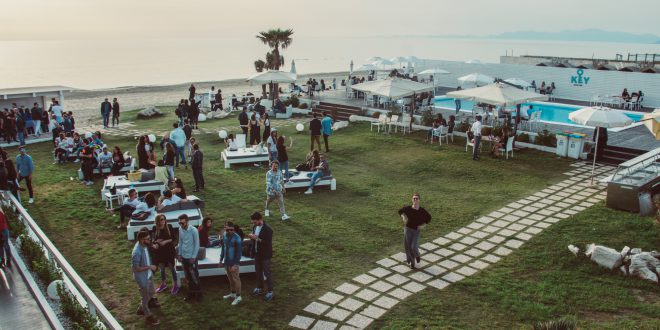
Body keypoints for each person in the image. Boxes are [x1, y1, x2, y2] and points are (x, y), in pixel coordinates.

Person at [131, 230, 161, 326]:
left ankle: (141, 309)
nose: (149, 240)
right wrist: (149, 267)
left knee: (151, 293)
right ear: (141, 239)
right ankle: (148, 316)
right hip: (142, 278)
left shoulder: (145, 245)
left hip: (148, 275)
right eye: (147, 239)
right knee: (145, 298)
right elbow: (135, 268)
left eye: (149, 238)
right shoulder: (136, 252)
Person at [398, 193, 431, 270]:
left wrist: (423, 225)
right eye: (414, 198)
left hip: (416, 230)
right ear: (412, 200)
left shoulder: (422, 210)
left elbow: (429, 218)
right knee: (408, 246)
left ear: (419, 200)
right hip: (407, 229)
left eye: (416, 198)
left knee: (413, 246)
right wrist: (403, 217)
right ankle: (412, 263)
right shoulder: (408, 208)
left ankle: (417, 255)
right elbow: (400, 211)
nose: (415, 200)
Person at [248, 211, 274, 302]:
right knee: (258, 272)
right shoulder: (255, 227)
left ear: (260, 220)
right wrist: (252, 238)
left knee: (267, 273)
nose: (254, 224)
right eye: (253, 222)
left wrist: (257, 239)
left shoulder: (268, 229)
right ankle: (260, 288)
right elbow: (254, 240)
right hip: (257, 254)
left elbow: (267, 243)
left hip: (265, 255)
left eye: (255, 222)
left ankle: (270, 291)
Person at [151, 214, 179, 295]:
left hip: (169, 251)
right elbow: (153, 240)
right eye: (161, 220)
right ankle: (164, 284)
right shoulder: (154, 228)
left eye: (164, 219)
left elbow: (174, 238)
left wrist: (165, 241)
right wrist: (157, 242)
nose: (163, 221)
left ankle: (175, 285)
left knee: (172, 268)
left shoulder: (169, 226)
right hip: (160, 252)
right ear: (157, 221)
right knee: (162, 268)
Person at [177, 214, 201, 302]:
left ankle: (198, 293)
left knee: (194, 276)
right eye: (180, 223)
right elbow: (180, 242)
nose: (181, 225)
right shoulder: (180, 229)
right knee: (187, 277)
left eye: (182, 223)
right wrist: (179, 254)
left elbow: (197, 245)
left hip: (191, 257)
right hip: (183, 257)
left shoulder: (194, 230)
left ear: (187, 221)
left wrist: (193, 257)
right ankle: (191, 293)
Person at [221, 220, 243, 306]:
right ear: (225, 228)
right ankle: (233, 293)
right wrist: (221, 259)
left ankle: (238, 296)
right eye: (228, 230)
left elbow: (239, 253)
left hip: (234, 263)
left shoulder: (237, 238)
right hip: (226, 261)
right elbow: (224, 248)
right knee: (230, 279)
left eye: (232, 229)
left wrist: (235, 264)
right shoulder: (224, 235)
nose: (230, 231)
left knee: (236, 279)